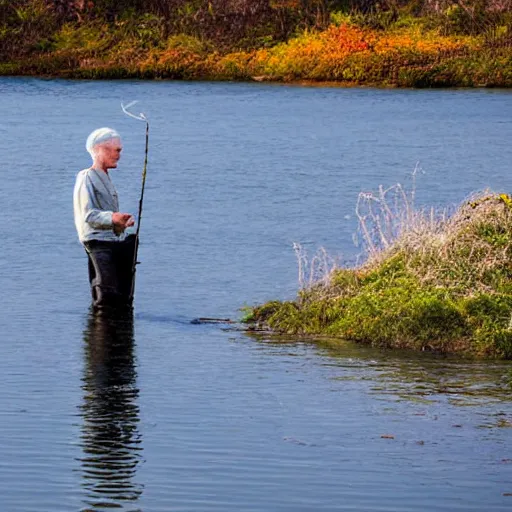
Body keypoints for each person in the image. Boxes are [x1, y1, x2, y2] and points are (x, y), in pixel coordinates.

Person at [73, 127, 137, 310]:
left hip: (111, 240)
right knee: (105, 291)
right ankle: (102, 328)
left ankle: (115, 329)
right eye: (117, 150)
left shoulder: (105, 178)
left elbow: (106, 217)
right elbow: (88, 215)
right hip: (97, 242)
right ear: (100, 149)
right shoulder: (86, 177)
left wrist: (121, 224)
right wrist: (113, 218)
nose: (119, 155)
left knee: (120, 292)